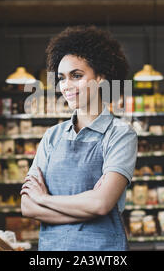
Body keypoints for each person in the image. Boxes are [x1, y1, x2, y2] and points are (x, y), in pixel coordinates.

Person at [20, 25, 137, 251]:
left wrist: (44, 200)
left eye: (77, 76)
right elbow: (27, 206)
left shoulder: (120, 134)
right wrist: (87, 206)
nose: (67, 86)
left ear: (102, 76)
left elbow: (101, 204)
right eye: (62, 78)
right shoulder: (52, 136)